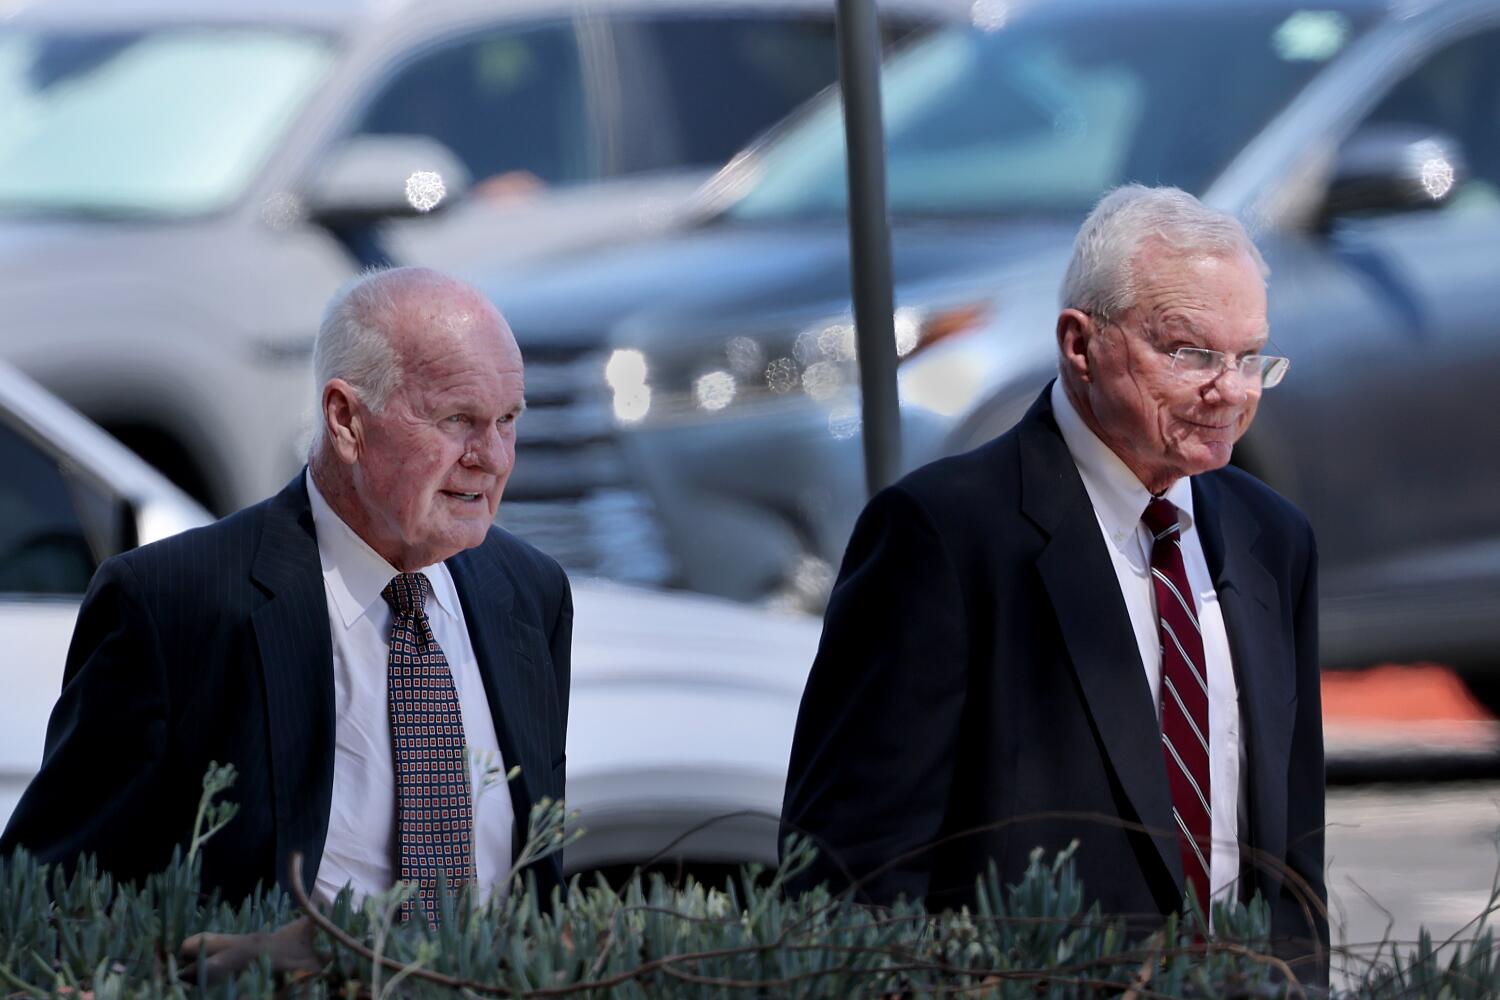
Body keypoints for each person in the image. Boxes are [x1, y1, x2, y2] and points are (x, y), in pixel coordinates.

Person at [780, 186, 1327, 975]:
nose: (1232, 391)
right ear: (1080, 343)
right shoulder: (942, 536)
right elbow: (853, 872)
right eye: (1192, 353)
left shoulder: (1272, 538)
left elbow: (1294, 869)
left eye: (1250, 359)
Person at [1, 267, 572, 917]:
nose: (492, 457)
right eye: (457, 420)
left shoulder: (530, 593)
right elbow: (48, 898)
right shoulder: (173, 603)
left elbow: (536, 887)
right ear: (346, 419)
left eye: (507, 420)